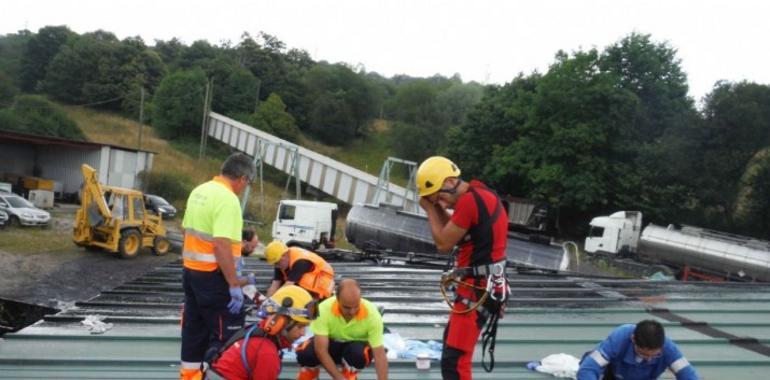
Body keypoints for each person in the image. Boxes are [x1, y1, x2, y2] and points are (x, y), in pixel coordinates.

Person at [415, 156, 509, 379]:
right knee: (452, 352)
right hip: (483, 287)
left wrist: (430, 209)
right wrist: (435, 203)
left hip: (476, 289)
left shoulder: (469, 202)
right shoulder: (481, 195)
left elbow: (444, 243)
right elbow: (453, 230)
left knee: (454, 362)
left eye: (439, 196)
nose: (441, 203)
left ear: (449, 182)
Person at [179, 152, 257, 380]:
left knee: (194, 331)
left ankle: (190, 375)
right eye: (247, 183)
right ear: (242, 178)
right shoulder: (228, 199)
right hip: (215, 278)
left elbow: (187, 231)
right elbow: (220, 244)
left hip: (191, 274)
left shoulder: (200, 191)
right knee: (228, 335)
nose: (244, 188)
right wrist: (234, 283)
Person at [209, 285, 318, 380]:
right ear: (281, 321)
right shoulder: (267, 352)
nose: (303, 333)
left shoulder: (256, 331)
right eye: (300, 327)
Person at [295, 278, 388, 380]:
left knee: (358, 355)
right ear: (337, 299)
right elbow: (321, 350)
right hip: (331, 345)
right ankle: (310, 375)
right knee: (306, 354)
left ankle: (349, 375)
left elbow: (379, 354)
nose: (352, 312)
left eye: (356, 306)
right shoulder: (322, 309)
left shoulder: (372, 314)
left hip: (354, 349)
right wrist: (339, 378)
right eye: (347, 307)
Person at [577, 320, 699, 380]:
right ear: (633, 339)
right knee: (589, 358)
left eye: (654, 355)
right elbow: (588, 369)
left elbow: (688, 375)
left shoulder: (668, 347)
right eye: (644, 354)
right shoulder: (620, 337)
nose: (649, 359)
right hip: (613, 375)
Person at [264, 240, 335, 300]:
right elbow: (275, 284)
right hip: (305, 281)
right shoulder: (279, 260)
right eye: (274, 264)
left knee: (290, 292)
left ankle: (315, 300)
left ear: (284, 255)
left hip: (322, 284)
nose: (277, 266)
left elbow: (288, 286)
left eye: (277, 263)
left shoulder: (300, 262)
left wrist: (274, 302)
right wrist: (266, 302)